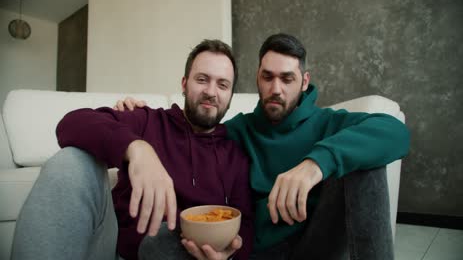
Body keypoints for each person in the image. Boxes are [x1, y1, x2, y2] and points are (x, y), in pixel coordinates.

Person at [117, 33, 410, 260]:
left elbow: (395, 132)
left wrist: (316, 164)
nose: (276, 89)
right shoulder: (233, 131)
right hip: (253, 250)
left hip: (316, 244)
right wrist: (134, 124)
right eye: (268, 77)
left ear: (305, 81)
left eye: (287, 78)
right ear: (257, 77)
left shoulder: (328, 123)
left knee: (365, 163)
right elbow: (190, 137)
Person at [11, 39, 253, 260]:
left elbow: (245, 231)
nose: (211, 92)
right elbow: (71, 124)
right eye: (202, 79)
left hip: (189, 255)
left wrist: (228, 256)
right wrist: (136, 147)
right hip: (116, 250)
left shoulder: (236, 157)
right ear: (184, 83)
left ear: (230, 95)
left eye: (222, 85)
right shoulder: (147, 121)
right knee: (71, 161)